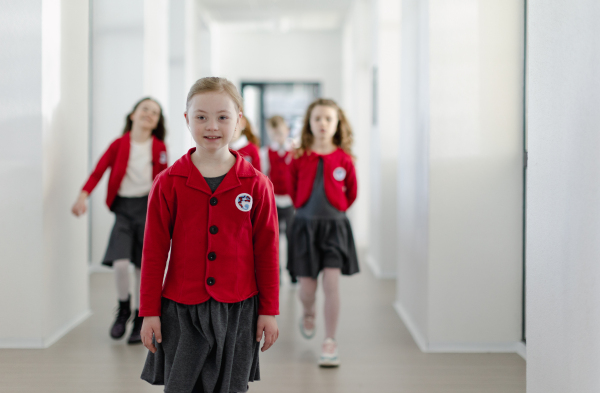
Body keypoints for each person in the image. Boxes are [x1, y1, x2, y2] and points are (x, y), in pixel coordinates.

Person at [139, 77, 279, 393]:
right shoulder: (167, 182)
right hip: (180, 307)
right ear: (187, 120)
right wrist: (149, 311)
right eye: (201, 116)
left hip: (239, 308)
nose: (211, 125)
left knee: (230, 388)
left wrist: (269, 310)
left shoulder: (257, 185)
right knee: (181, 386)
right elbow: (154, 251)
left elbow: (267, 251)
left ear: (239, 120)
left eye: (223, 117)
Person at [71, 98, 168, 344]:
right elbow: (98, 171)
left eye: (154, 113)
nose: (149, 114)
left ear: (157, 122)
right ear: (133, 114)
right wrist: (83, 197)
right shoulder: (119, 144)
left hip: (147, 210)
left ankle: (139, 316)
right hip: (124, 209)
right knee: (121, 263)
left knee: (140, 267)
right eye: (144, 109)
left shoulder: (158, 147)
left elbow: (165, 182)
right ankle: (123, 308)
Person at [287, 98, 359, 368]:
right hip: (305, 227)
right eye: (317, 118)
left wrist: (335, 213)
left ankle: (330, 341)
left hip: (334, 229)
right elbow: (292, 189)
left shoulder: (344, 158)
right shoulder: (299, 156)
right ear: (309, 123)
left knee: (331, 283)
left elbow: (351, 192)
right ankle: (308, 311)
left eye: (328, 118)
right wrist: (305, 213)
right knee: (307, 288)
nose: (323, 124)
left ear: (337, 123)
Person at [260, 115, 296, 284]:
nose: (278, 137)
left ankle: (293, 271)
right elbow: (264, 175)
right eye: (274, 134)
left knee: (292, 237)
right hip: (274, 200)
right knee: (274, 240)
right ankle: (277, 273)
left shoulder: (294, 151)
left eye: (281, 133)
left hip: (291, 201)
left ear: (287, 131)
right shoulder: (266, 152)